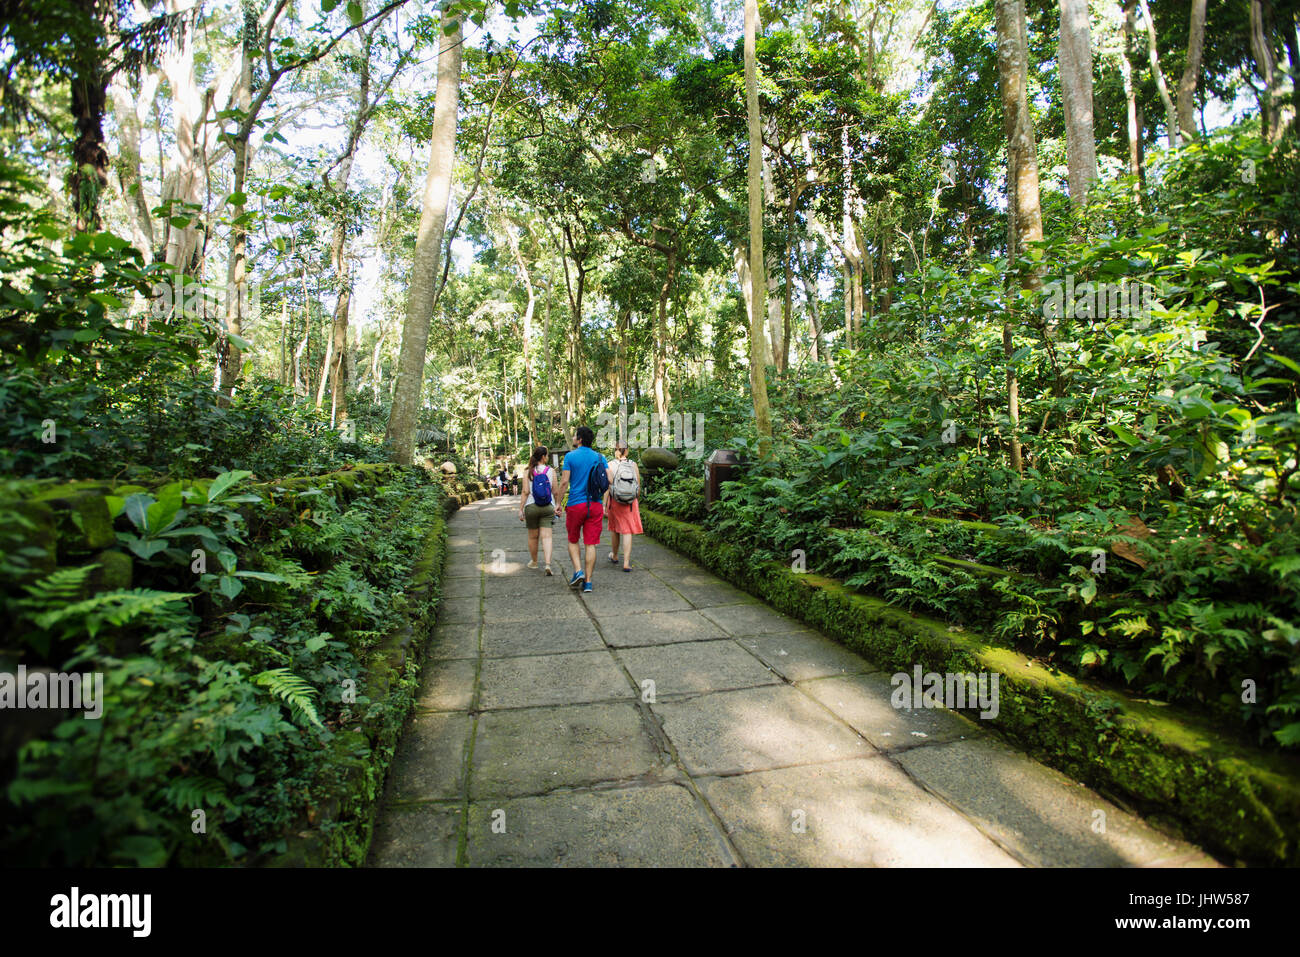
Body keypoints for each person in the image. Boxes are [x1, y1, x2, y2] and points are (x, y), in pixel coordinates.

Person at [553, 425, 607, 594]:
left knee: (573, 539)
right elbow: (608, 480)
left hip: (576, 504)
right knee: (590, 544)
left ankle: (578, 571)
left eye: (575, 435)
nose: (574, 437)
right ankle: (588, 582)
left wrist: (558, 503)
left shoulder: (570, 457)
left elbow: (564, 482)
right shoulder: (600, 457)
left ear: (580, 439)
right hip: (595, 504)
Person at [605, 441, 643, 571]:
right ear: (626, 451)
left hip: (615, 501)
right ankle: (626, 563)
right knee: (627, 531)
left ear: (616, 451)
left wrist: (604, 505)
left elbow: (607, 487)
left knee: (615, 529)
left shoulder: (610, 465)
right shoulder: (633, 465)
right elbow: (638, 486)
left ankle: (615, 555)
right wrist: (635, 499)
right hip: (631, 503)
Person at [518, 446, 555, 575]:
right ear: (543, 457)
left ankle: (534, 562)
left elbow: (525, 491)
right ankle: (548, 564)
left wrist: (521, 509)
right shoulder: (551, 471)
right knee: (547, 537)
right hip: (547, 507)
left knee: (533, 537)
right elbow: (554, 491)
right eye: (547, 455)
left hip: (531, 506)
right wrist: (558, 505)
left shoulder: (528, 471)